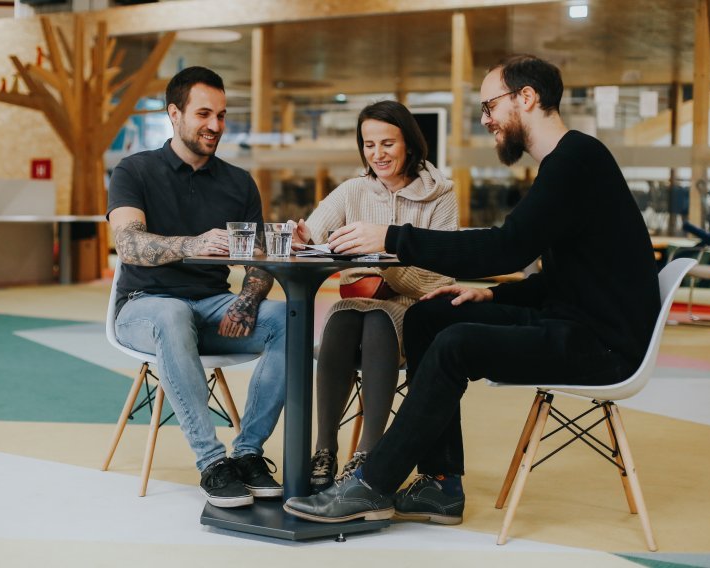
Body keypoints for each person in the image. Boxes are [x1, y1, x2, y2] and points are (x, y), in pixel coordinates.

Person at [283, 54, 661, 525]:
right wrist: (492, 297)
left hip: (604, 345)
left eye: (490, 106)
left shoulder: (575, 162)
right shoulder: (568, 163)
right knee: (429, 315)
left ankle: (371, 485)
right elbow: (562, 279)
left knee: (457, 344)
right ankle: (442, 485)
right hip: (573, 320)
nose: (485, 120)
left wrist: (393, 238)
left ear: (526, 98)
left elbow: (504, 249)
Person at [107, 66, 286, 509]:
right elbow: (129, 244)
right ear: (174, 113)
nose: (215, 126)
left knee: (288, 317)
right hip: (143, 308)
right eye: (204, 113)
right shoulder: (135, 170)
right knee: (173, 313)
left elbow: (258, 259)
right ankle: (211, 462)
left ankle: (247, 454)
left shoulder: (238, 182)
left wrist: (247, 300)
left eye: (222, 116)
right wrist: (194, 244)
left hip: (211, 308)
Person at [292, 100, 458, 493]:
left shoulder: (441, 196)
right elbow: (314, 232)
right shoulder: (352, 191)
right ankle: (325, 449)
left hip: (409, 312)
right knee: (343, 315)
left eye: (387, 143)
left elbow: (438, 281)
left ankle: (369, 456)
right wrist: (303, 239)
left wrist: (388, 260)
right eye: (369, 145)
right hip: (357, 304)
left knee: (377, 319)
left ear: (410, 145)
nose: (377, 154)